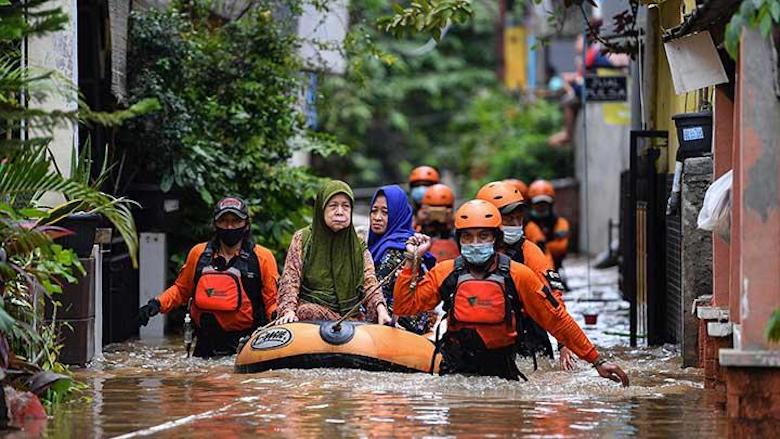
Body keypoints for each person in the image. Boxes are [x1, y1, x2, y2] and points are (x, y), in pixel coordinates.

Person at [393, 200, 629, 384]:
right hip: (456, 371)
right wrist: (411, 261)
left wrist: (597, 360)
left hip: (503, 372)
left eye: (483, 235)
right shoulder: (445, 272)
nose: (475, 242)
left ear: (495, 239)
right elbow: (405, 307)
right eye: (468, 236)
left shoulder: (519, 275)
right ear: (460, 240)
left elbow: (556, 318)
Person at [137, 197, 279, 357]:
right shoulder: (199, 254)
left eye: (236, 221)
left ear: (246, 224)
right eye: (224, 221)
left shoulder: (262, 257)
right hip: (204, 345)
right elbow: (181, 290)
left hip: (247, 346)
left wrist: (279, 318)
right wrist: (156, 305)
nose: (230, 226)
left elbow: (271, 301)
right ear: (215, 224)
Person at [476, 181, 576, 370]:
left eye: (518, 219)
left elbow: (553, 299)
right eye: (508, 219)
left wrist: (564, 343)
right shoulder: (469, 254)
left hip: (527, 339)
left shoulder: (530, 252)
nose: (515, 225)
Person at [275, 180, 392, 325]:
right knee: (305, 311)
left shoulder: (357, 244)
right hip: (311, 313)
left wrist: (381, 310)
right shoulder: (303, 238)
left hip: (350, 315)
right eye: (333, 206)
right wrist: (288, 311)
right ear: (321, 209)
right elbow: (291, 279)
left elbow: (370, 281)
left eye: (346, 206)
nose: (340, 212)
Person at [368, 185, 437, 334]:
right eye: (374, 211)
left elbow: (378, 294)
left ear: (397, 215)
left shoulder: (398, 249)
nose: (377, 217)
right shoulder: (375, 245)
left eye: (385, 212)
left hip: (400, 327)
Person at [527, 180, 570, 271]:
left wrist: (541, 247)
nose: (541, 207)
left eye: (544, 204)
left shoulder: (560, 222)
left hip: (555, 267)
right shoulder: (526, 223)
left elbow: (561, 247)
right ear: (531, 204)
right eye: (538, 204)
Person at [416, 183, 459, 261]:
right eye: (433, 209)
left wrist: (452, 221)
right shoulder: (420, 229)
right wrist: (419, 221)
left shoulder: (456, 230)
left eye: (441, 209)